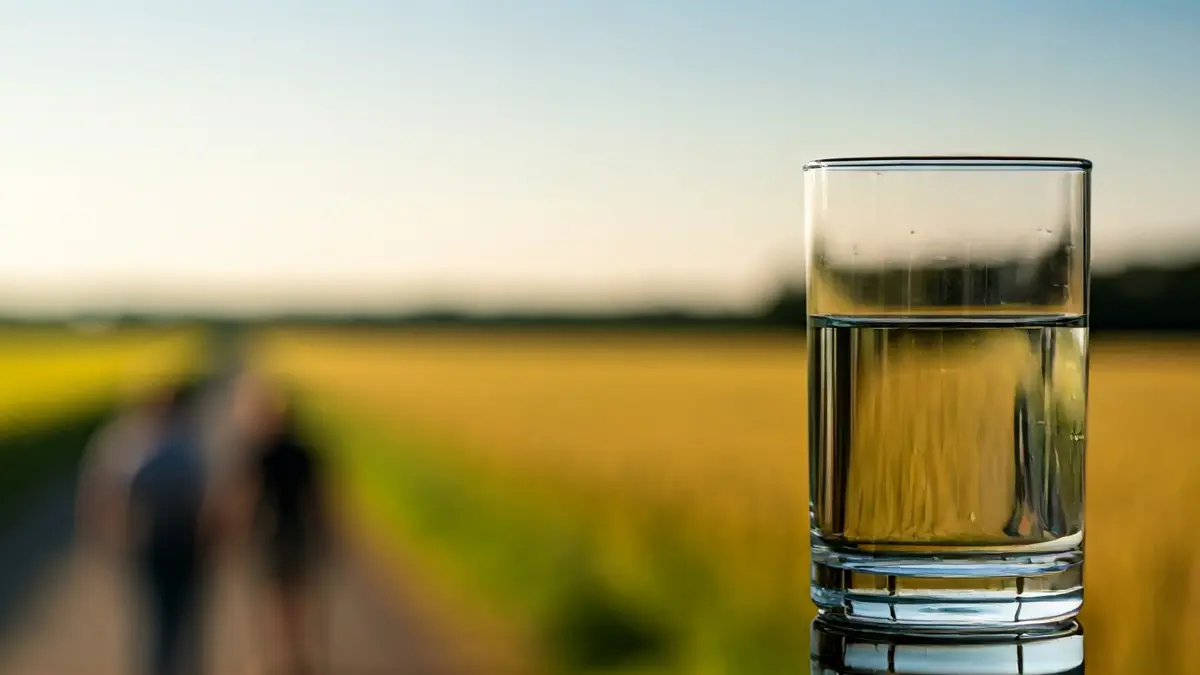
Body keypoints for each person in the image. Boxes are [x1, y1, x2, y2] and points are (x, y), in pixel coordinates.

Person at [236, 381, 329, 675]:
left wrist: (241, 531)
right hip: (299, 531)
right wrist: (327, 534)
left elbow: (250, 499)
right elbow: (318, 498)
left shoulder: (261, 452)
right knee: (299, 599)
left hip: (271, 534)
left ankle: (273, 662)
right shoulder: (306, 451)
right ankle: (300, 659)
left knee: (273, 602)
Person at [126, 381, 213, 675]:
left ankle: (159, 666)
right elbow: (206, 499)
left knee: (158, 616)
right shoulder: (192, 449)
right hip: (187, 543)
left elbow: (131, 495)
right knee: (188, 616)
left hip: (155, 542)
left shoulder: (146, 450)